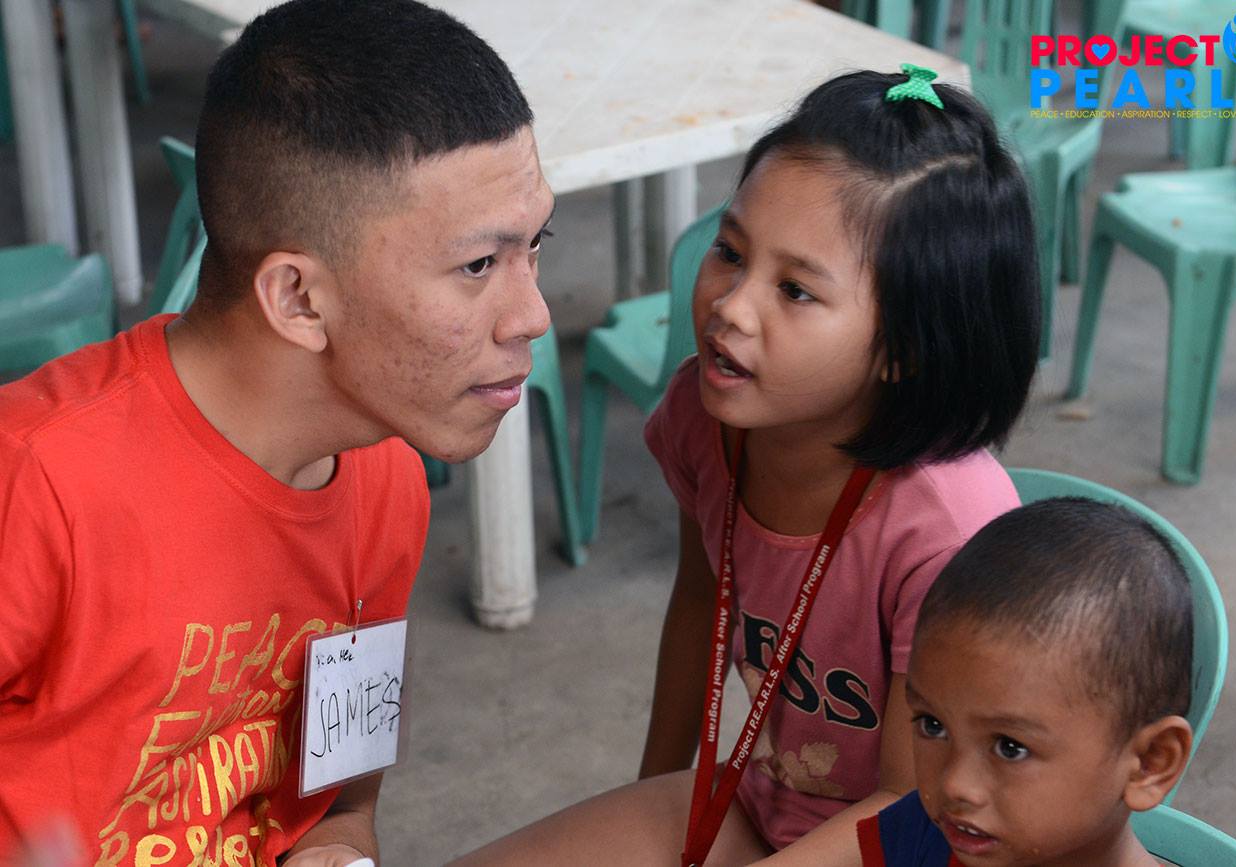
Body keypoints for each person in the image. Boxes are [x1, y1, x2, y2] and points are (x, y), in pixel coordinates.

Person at [0, 1, 552, 864]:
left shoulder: (385, 478)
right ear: (297, 298)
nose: (533, 314)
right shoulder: (37, 482)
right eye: (478, 264)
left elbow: (343, 789)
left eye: (536, 245)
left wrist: (341, 843)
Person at [454, 65, 1040, 865]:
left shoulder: (944, 530)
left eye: (794, 290)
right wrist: (655, 797)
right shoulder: (708, 419)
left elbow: (912, 810)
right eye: (730, 252)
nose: (731, 305)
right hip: (761, 802)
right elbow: (700, 604)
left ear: (904, 348)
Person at [858, 498, 1195, 867]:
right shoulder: (923, 834)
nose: (955, 784)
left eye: (1010, 747)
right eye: (932, 724)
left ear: (1150, 762)